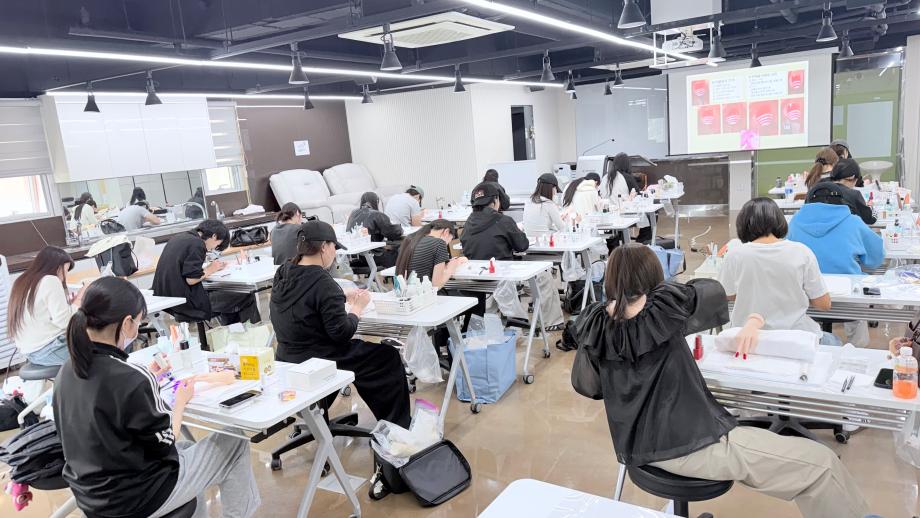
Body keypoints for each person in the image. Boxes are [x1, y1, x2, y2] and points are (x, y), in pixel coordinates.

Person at [580, 244, 868, 518]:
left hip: (636, 446)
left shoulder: (595, 323)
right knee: (822, 466)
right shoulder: (664, 310)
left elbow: (590, 386)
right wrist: (753, 319)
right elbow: (708, 293)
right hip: (686, 445)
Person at [53, 277, 260, 518]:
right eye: (139, 322)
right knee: (234, 439)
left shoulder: (66, 371)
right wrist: (180, 402)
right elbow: (166, 442)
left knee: (188, 448)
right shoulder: (130, 377)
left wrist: (147, 380)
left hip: (93, 497)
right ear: (127, 323)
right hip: (137, 499)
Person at [718, 198, 839, 347]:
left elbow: (727, 295)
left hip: (750, 341)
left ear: (743, 224)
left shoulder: (735, 255)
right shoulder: (801, 252)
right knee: (833, 341)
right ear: (779, 221)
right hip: (795, 339)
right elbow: (824, 304)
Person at [788, 184, 884, 347]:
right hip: (849, 299)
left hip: (807, 297)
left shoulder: (794, 222)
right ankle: (856, 352)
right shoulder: (853, 222)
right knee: (858, 325)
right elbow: (876, 259)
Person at [152, 220, 261, 325]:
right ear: (214, 236)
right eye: (217, 245)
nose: (213, 249)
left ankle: (233, 332)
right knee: (246, 295)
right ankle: (254, 331)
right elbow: (191, 279)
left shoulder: (180, 238)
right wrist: (211, 269)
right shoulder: (198, 244)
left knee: (229, 299)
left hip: (168, 296)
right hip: (185, 302)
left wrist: (210, 268)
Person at [9, 247, 82, 366]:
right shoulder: (50, 280)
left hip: (30, 352)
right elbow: (64, 322)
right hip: (48, 350)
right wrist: (79, 300)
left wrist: (68, 306)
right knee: (98, 353)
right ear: (57, 267)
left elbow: (42, 314)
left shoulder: (22, 281)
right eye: (65, 270)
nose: (65, 276)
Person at [461, 182, 529, 261]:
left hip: (474, 268)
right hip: (502, 268)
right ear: (495, 200)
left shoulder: (467, 224)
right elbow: (522, 246)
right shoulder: (504, 221)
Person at [394, 219, 466, 288]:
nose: (447, 244)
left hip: (404, 291)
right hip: (424, 293)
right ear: (446, 232)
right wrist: (452, 266)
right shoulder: (439, 243)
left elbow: (422, 264)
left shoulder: (410, 238)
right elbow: (436, 285)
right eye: (449, 240)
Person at [808, 158, 875, 225]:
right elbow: (869, 220)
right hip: (843, 230)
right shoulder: (853, 195)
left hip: (814, 228)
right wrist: (870, 207)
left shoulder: (816, 187)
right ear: (852, 177)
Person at [347, 192, 404, 268]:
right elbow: (394, 233)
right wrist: (400, 228)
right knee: (403, 248)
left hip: (356, 258)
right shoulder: (377, 215)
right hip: (373, 257)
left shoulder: (353, 213)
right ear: (376, 201)